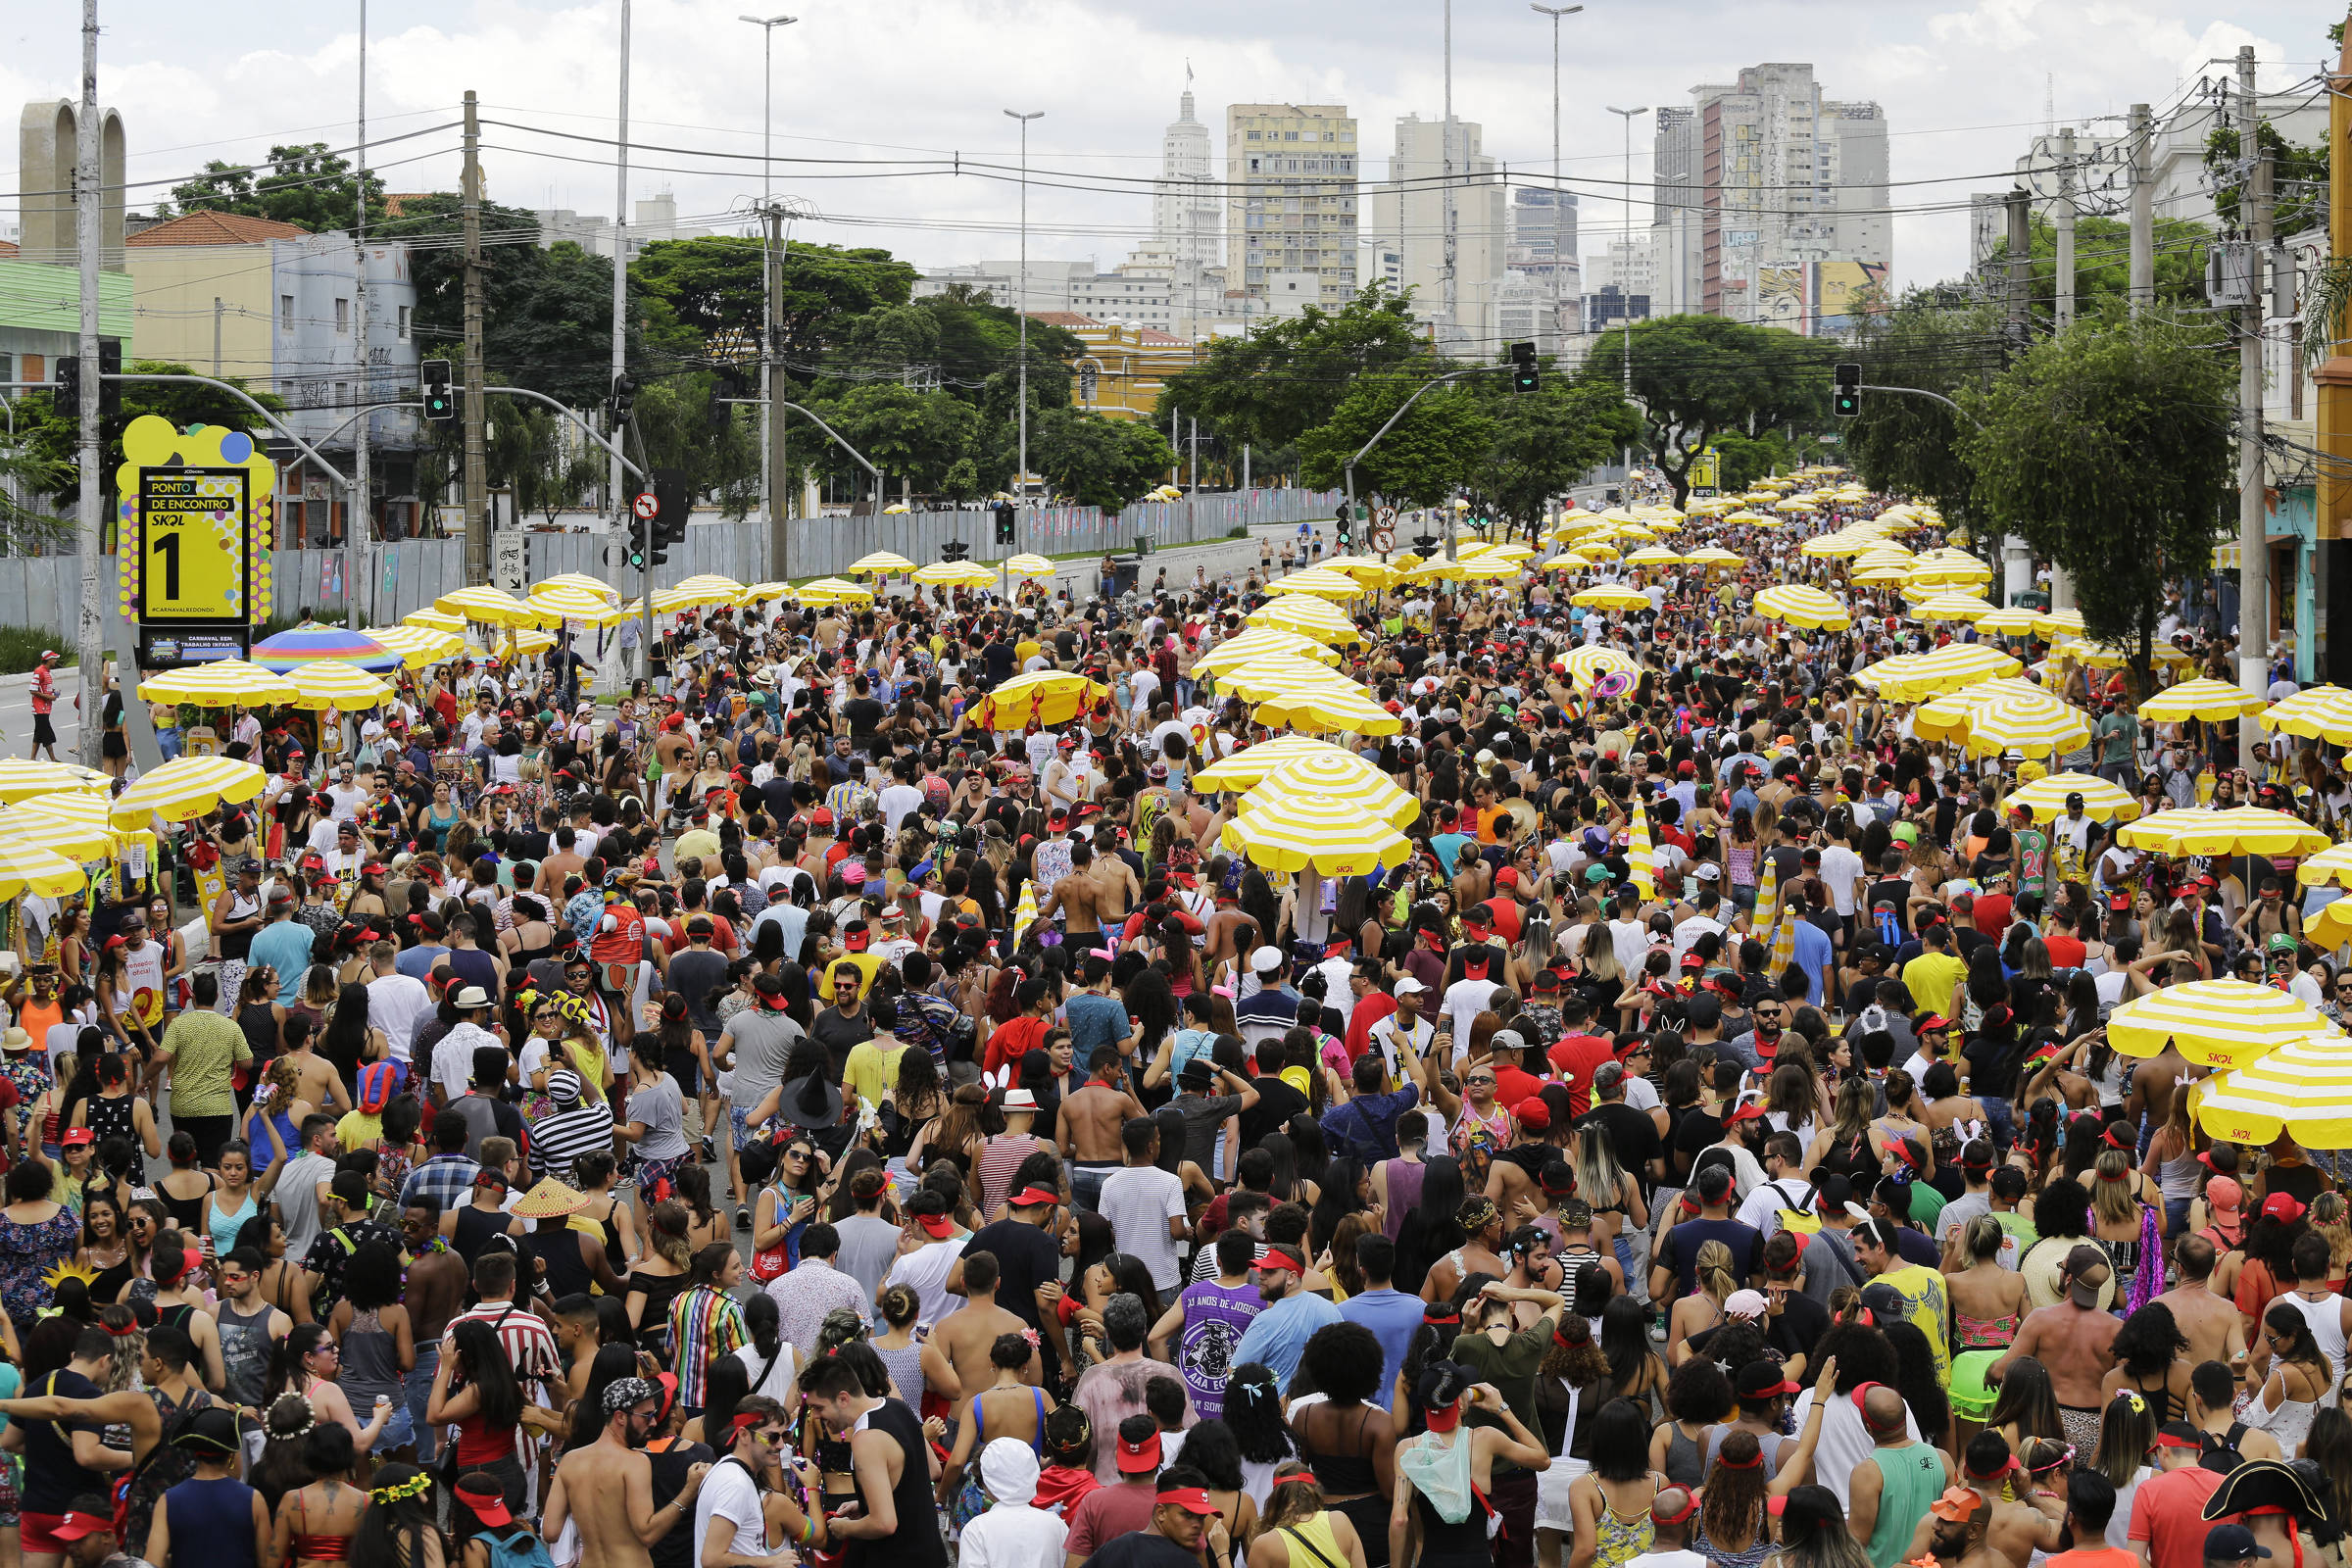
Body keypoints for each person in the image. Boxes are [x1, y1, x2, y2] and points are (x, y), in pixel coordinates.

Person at [797, 1348, 949, 1568]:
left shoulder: (865, 1440)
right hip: (931, 1554)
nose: (816, 1417)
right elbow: (930, 1471)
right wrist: (866, 1503)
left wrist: (844, 1528)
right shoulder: (897, 1407)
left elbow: (884, 1523)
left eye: (819, 1408)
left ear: (843, 1398)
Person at [541, 1376, 712, 1568]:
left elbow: (550, 1532)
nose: (654, 1422)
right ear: (620, 1417)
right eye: (647, 1415)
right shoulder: (635, 1462)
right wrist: (688, 1491)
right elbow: (647, 1535)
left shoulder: (570, 1461)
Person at [143, 1407, 267, 1568]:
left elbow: (153, 1563)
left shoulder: (168, 1501)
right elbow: (268, 1562)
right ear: (231, 1455)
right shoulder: (253, 1499)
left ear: (196, 1453)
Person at [1231, 1244, 1342, 1393]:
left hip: (1276, 1413)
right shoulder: (1329, 1309)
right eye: (1261, 1269)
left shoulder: (1265, 1320)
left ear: (1291, 1277)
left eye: (1270, 1271)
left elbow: (1234, 1375)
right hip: (1319, 1411)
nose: (1261, 1276)